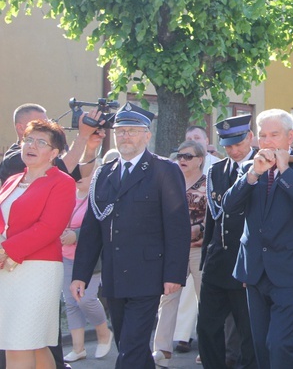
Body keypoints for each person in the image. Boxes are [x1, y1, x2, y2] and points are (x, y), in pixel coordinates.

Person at [71, 102, 191, 369]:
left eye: (132, 131)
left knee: (132, 350)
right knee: (127, 345)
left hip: (148, 274)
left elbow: (177, 226)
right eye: (120, 131)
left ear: (147, 136)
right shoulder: (104, 173)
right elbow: (92, 229)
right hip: (114, 276)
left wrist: (174, 274)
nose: (125, 136)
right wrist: (80, 274)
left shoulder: (164, 170)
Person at [222, 109, 293, 368]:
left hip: (292, 271)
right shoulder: (248, 168)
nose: (267, 142)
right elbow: (228, 207)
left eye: (274, 135)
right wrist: (252, 175)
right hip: (255, 270)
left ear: (290, 137)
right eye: (263, 135)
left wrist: (285, 170)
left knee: (279, 345)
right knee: (261, 347)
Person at [0, 120, 76, 368]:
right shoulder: (11, 180)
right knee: (35, 343)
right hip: (6, 269)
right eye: (28, 139)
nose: (31, 145)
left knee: (17, 341)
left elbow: (50, 228)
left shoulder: (62, 182)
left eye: (41, 142)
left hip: (38, 269)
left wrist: (7, 249)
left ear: (54, 153)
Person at [197, 114, 258, 369]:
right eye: (228, 145)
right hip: (218, 261)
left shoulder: (264, 166)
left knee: (249, 333)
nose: (233, 150)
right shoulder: (216, 170)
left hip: (247, 263)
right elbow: (213, 219)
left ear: (250, 137)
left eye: (238, 144)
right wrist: (205, 259)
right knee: (207, 328)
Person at [152, 140, 207, 367]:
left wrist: (201, 229)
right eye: (179, 155)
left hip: (197, 248)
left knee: (205, 299)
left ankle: (206, 348)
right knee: (168, 297)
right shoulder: (169, 182)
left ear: (200, 160)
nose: (182, 160)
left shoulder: (208, 183)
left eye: (188, 156)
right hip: (173, 249)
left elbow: (215, 214)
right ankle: (162, 350)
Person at [61, 159, 113, 363]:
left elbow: (101, 227)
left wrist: (76, 235)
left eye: (85, 171)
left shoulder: (98, 196)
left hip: (91, 260)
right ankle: (78, 347)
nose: (79, 176)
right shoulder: (67, 195)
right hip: (65, 255)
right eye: (76, 172)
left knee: (86, 299)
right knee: (71, 302)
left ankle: (103, 333)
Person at [0, 103, 103, 184]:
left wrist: (90, 147)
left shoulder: (46, 152)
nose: (46, 127)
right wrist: (83, 136)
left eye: (47, 122)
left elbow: (82, 172)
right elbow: (64, 167)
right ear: (20, 128)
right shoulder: (14, 159)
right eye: (38, 124)